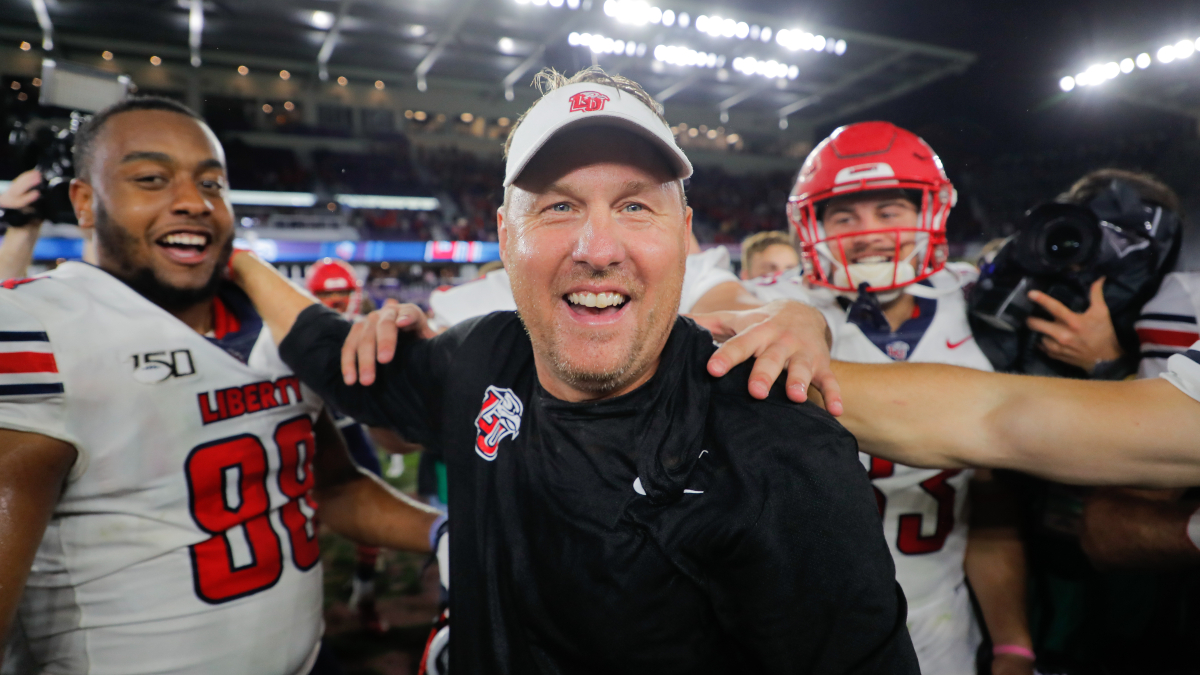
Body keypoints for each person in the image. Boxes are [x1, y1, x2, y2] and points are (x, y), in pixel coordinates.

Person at [231, 67, 919, 673]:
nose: (596, 248)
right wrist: (234, 257)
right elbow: (327, 346)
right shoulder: (478, 356)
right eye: (558, 205)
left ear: (686, 237)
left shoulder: (780, 450)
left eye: (634, 205)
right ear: (504, 235)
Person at [0, 97, 442, 673]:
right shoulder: (39, 329)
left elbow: (333, 489)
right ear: (85, 201)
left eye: (213, 184)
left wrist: (447, 532)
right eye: (152, 179)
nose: (192, 202)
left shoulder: (276, 325)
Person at [743, 121, 1031, 675]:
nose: (868, 232)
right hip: (800, 622)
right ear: (812, 225)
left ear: (930, 212)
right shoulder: (775, 310)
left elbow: (993, 508)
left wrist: (1013, 644)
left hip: (941, 616)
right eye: (844, 215)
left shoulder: (982, 308)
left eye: (888, 210)